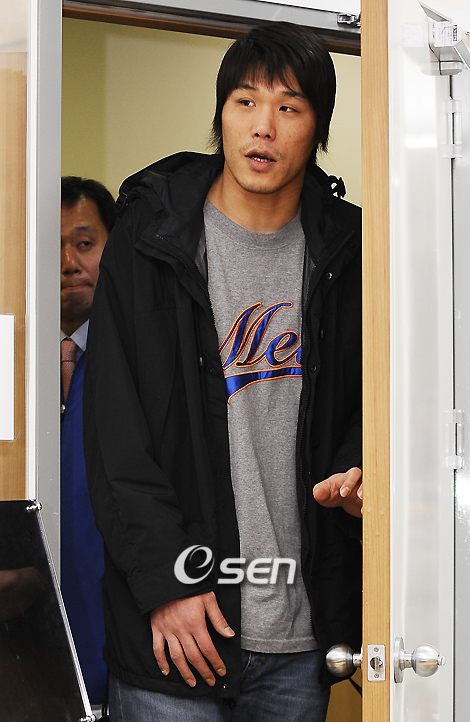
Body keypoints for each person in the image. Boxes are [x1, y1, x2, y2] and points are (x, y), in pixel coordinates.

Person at [84, 21, 362, 722]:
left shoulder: (351, 251)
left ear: (318, 129)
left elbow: (381, 400)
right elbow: (116, 436)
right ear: (221, 115)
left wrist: (361, 466)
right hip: (178, 629)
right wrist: (167, 584)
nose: (263, 126)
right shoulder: (149, 240)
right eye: (246, 102)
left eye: (289, 107)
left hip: (300, 635)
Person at [60, 176, 116, 708]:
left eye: (84, 243)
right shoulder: (15, 366)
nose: (68, 263)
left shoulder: (137, 361)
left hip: (123, 644)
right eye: (53, 247)